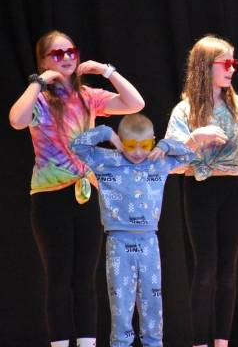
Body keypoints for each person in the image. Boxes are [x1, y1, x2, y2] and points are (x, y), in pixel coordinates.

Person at [8, 30, 145, 347]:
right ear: (43, 61)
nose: (67, 57)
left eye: (71, 51)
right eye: (57, 54)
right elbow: (16, 119)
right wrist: (38, 81)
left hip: (86, 193)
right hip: (49, 198)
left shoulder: (89, 97)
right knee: (58, 278)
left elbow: (136, 102)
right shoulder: (40, 100)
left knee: (85, 280)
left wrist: (105, 70)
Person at [70, 113, 195, 347]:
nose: (138, 152)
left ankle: (153, 343)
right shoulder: (107, 160)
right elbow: (76, 145)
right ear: (121, 142)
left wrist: (166, 145)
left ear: (152, 141)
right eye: (130, 145)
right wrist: (107, 133)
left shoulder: (158, 160)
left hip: (149, 241)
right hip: (118, 243)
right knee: (121, 305)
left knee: (152, 301)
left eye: (144, 145)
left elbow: (191, 154)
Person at [165, 35, 238, 347]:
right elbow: (171, 161)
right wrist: (196, 137)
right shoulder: (185, 109)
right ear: (206, 67)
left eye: (234, 63)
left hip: (231, 186)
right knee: (205, 266)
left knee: (228, 267)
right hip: (199, 188)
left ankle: (221, 341)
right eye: (225, 63)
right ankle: (199, 341)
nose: (232, 69)